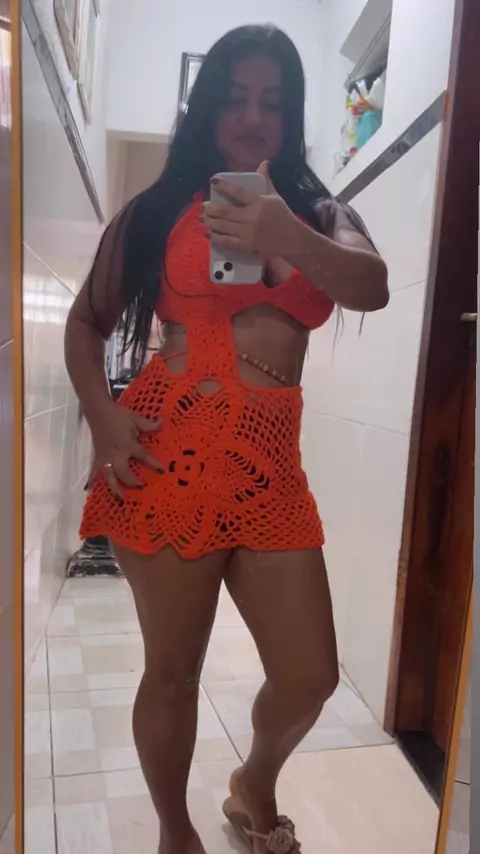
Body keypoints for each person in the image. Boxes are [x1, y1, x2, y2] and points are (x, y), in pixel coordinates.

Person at [65, 24, 388, 854]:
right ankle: (177, 833)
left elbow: (371, 286)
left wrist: (285, 236)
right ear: (208, 107)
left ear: (292, 116)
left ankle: (255, 783)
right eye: (236, 98)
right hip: (166, 454)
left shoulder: (321, 212)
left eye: (272, 103)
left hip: (269, 465)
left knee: (309, 675)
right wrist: (104, 416)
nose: (252, 117)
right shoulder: (155, 211)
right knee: (172, 671)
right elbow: (85, 321)